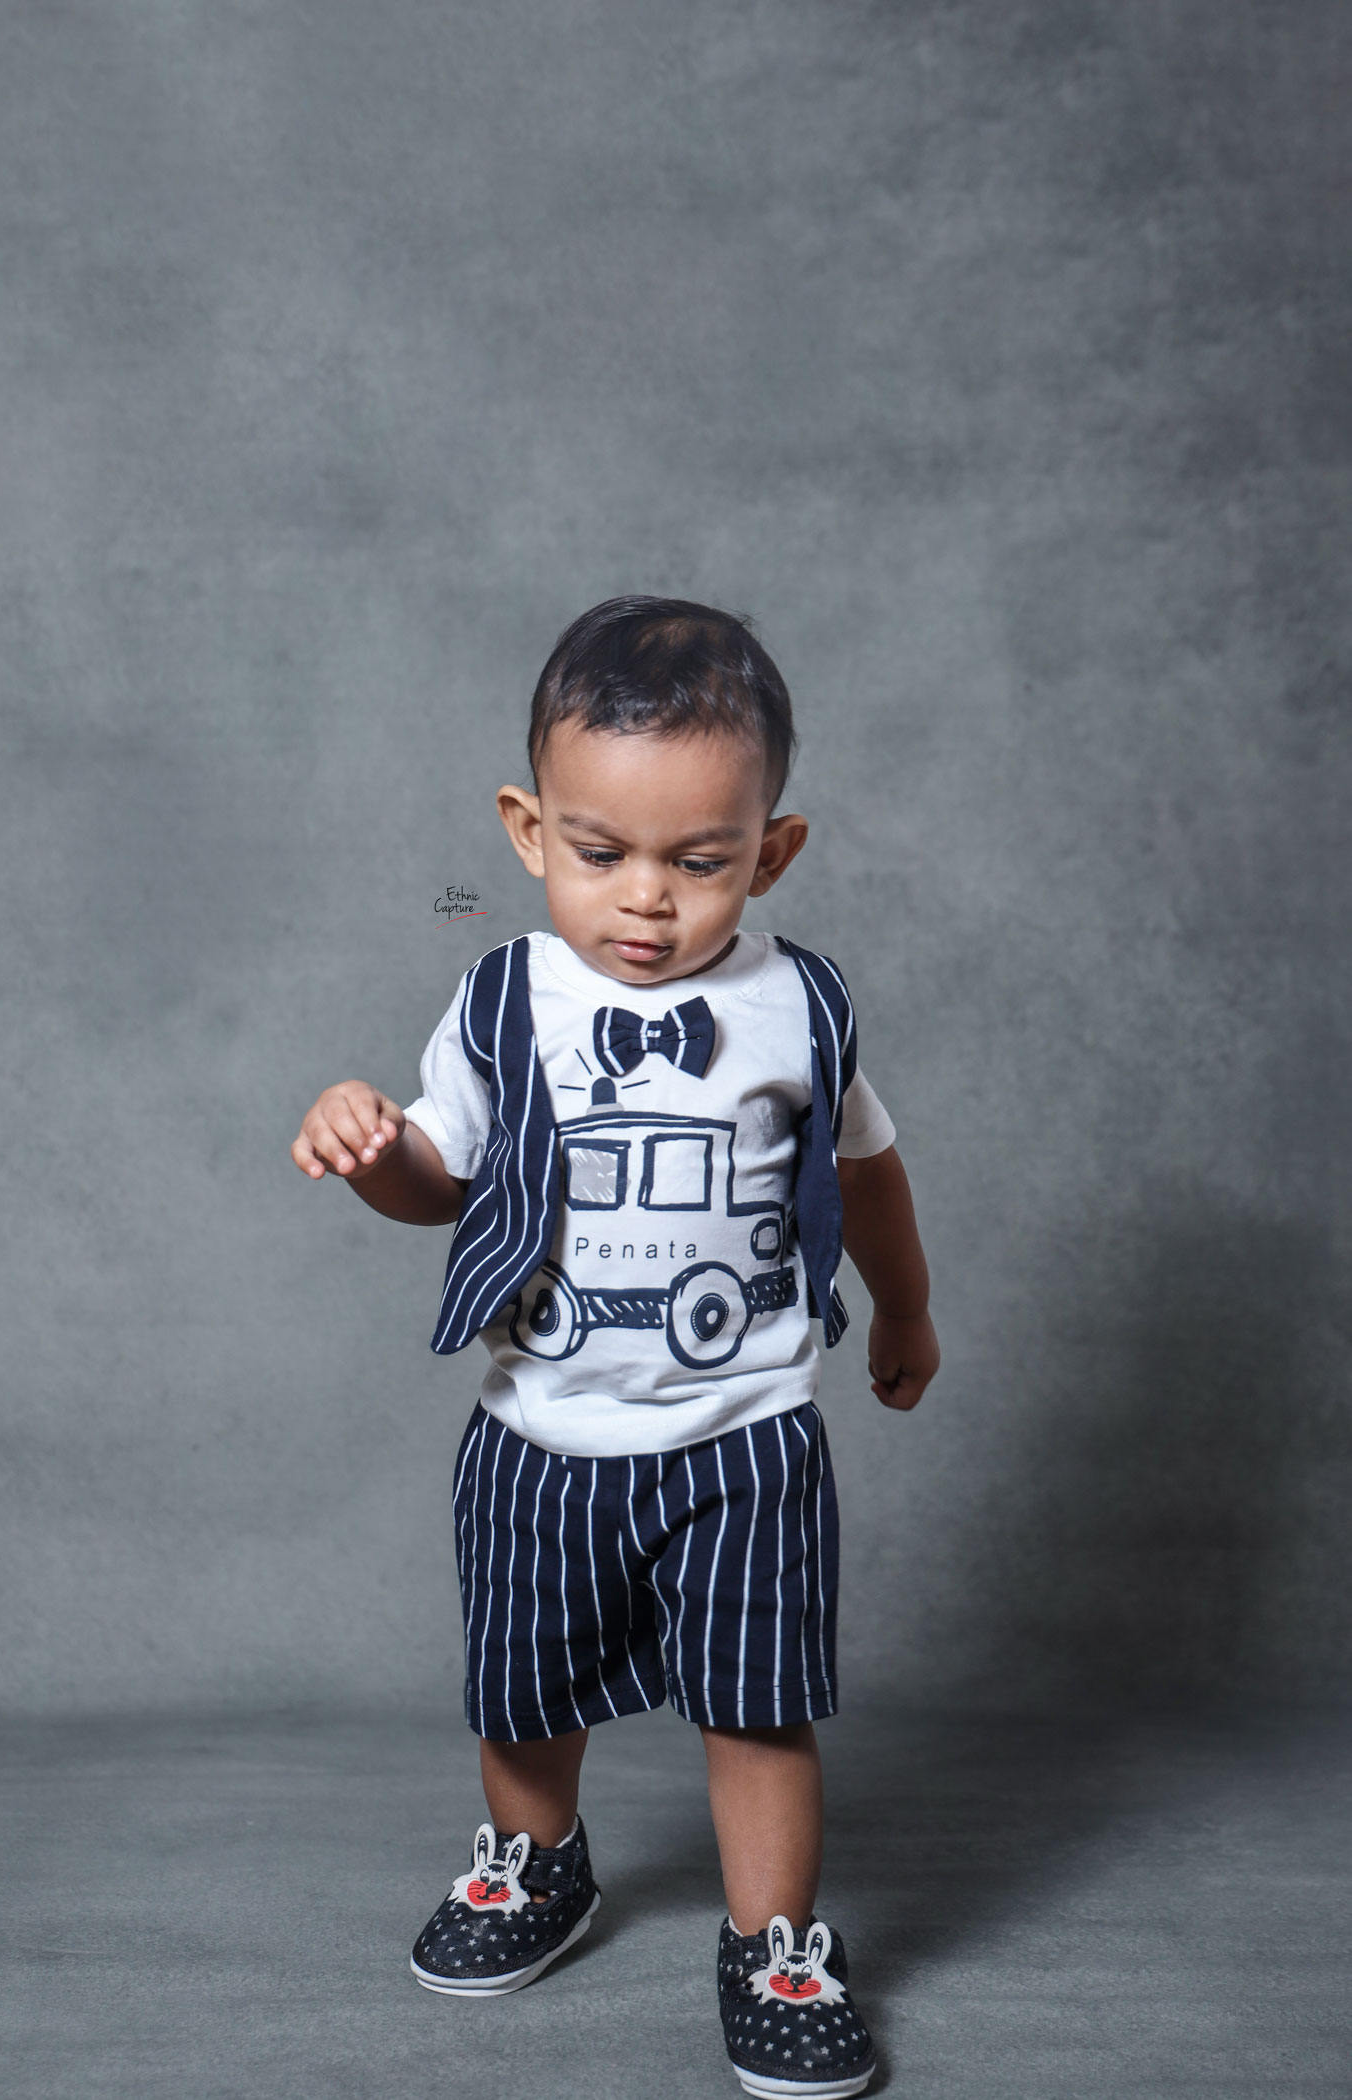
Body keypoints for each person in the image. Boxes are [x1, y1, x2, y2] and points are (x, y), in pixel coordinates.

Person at [290, 597, 939, 2097]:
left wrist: (905, 1308)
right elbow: (441, 1185)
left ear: (770, 852)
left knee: (759, 1703)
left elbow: (865, 1176)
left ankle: (774, 1944)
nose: (645, 899)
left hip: (746, 1438)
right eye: (600, 854)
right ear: (528, 833)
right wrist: (373, 1147)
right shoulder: (502, 999)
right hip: (544, 1428)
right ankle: (538, 1861)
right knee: (524, 1690)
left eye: (698, 861)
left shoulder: (798, 1005)